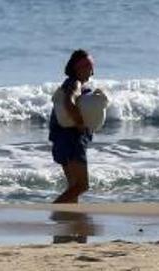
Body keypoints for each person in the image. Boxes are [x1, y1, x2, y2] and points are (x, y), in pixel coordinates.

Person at [50, 49, 96, 203]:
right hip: (72, 140)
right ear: (79, 68)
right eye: (90, 66)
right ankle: (53, 211)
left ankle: (71, 219)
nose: (92, 71)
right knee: (82, 185)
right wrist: (80, 123)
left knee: (73, 187)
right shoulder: (75, 84)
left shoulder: (67, 83)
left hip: (61, 139)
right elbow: (69, 102)